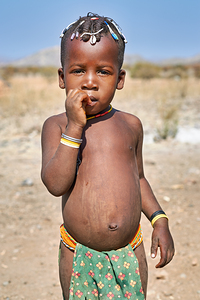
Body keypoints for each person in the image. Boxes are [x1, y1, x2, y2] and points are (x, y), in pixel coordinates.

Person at [41, 12, 174, 300]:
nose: (90, 82)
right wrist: (75, 126)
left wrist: (159, 219)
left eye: (103, 71)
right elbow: (55, 185)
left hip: (130, 251)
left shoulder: (130, 125)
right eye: (78, 71)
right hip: (78, 254)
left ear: (120, 78)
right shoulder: (57, 126)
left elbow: (138, 178)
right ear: (62, 78)